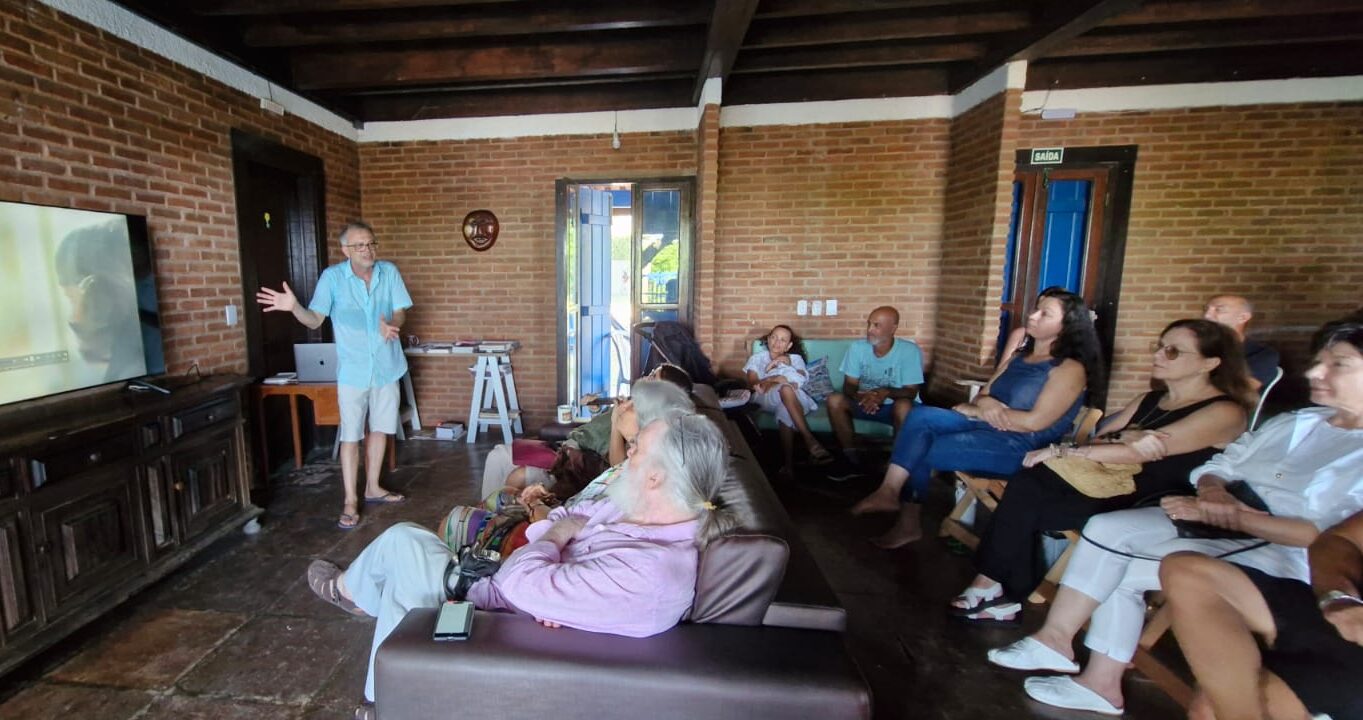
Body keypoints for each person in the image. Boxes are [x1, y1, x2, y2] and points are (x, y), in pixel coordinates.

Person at [986, 317, 1363, 717]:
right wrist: (1213, 490)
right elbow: (1226, 462)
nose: (1315, 372)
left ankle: (1098, 679)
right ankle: (1058, 641)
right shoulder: (1298, 421)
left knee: (1121, 569)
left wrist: (1232, 515)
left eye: (1338, 363)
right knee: (1106, 528)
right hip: (1215, 512)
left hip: (1276, 547)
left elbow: (1319, 536)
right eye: (1319, 361)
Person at [306, 412, 740, 719]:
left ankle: (379, 692)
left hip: (499, 621)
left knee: (402, 548)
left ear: (657, 477)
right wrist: (554, 539)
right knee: (407, 542)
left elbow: (524, 573)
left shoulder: (654, 574)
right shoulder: (635, 508)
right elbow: (563, 520)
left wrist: (553, 542)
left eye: (637, 450)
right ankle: (358, 605)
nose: (626, 455)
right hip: (505, 589)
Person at [953, 318, 1252, 623]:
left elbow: (1138, 452)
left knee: (1025, 503)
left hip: (1150, 496)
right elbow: (1103, 439)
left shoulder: (1224, 411)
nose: (1158, 355)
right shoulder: (1148, 400)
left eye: (1173, 352)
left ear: (1209, 363)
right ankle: (998, 588)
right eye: (1159, 347)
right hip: (1106, 480)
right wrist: (1129, 434)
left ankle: (994, 584)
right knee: (1028, 484)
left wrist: (1062, 450)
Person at [851, 289, 1101, 548]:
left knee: (919, 446)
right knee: (920, 416)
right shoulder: (1019, 357)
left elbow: (1034, 423)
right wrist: (987, 404)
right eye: (1036, 308)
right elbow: (983, 396)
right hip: (986, 428)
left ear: (1066, 326)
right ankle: (889, 491)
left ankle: (907, 521)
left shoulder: (1069, 368)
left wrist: (983, 410)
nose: (1033, 315)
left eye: (1045, 313)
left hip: (1021, 448)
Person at [256, 221, 412, 530]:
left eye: (371, 243)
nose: (367, 250)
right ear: (345, 250)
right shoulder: (332, 279)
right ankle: (350, 500)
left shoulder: (388, 271)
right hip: (353, 371)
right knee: (351, 435)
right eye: (359, 245)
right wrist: (294, 307)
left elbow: (401, 309)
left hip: (387, 365)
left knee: (381, 429)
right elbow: (314, 321)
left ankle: (373, 487)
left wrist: (393, 323)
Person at [452, 377, 697, 558]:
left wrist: (537, 505)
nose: (627, 404)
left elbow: (576, 526)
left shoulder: (637, 482)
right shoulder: (634, 468)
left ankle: (476, 549)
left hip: (552, 535)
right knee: (500, 492)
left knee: (459, 517)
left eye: (634, 403)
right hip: (558, 514)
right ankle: (479, 540)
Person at [1162, 507, 1363, 720]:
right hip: (1338, 613)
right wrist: (1338, 598)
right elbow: (1339, 540)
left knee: (1208, 710)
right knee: (1186, 573)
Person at [479, 364, 694, 498]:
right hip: (565, 448)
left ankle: (494, 521)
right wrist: (598, 409)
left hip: (575, 465)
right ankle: (484, 515)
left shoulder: (646, 422)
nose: (645, 378)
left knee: (510, 470)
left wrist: (615, 423)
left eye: (652, 379)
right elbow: (595, 432)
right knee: (497, 456)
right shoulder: (633, 403)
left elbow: (618, 468)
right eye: (651, 374)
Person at [825, 306, 924, 474]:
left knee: (904, 406)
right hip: (863, 402)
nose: (869, 330)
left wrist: (884, 393)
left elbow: (911, 392)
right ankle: (850, 459)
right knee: (834, 400)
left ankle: (895, 465)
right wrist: (861, 397)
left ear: (893, 328)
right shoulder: (857, 348)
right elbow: (849, 385)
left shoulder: (909, 350)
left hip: (893, 406)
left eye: (876, 325)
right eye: (869, 324)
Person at [744, 324, 831, 480]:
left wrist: (777, 376)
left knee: (785, 405)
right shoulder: (757, 359)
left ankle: (788, 466)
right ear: (768, 339)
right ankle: (810, 440)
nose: (777, 342)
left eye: (783, 340)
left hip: (794, 398)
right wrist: (775, 379)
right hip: (766, 398)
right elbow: (753, 385)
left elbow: (800, 382)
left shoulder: (795, 359)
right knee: (785, 388)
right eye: (774, 337)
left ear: (789, 345)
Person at [1204, 295, 1280, 390]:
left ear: (1243, 317)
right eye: (1206, 310)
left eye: (1218, 310)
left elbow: (1241, 391)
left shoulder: (1262, 354)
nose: (1206, 316)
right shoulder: (1199, 346)